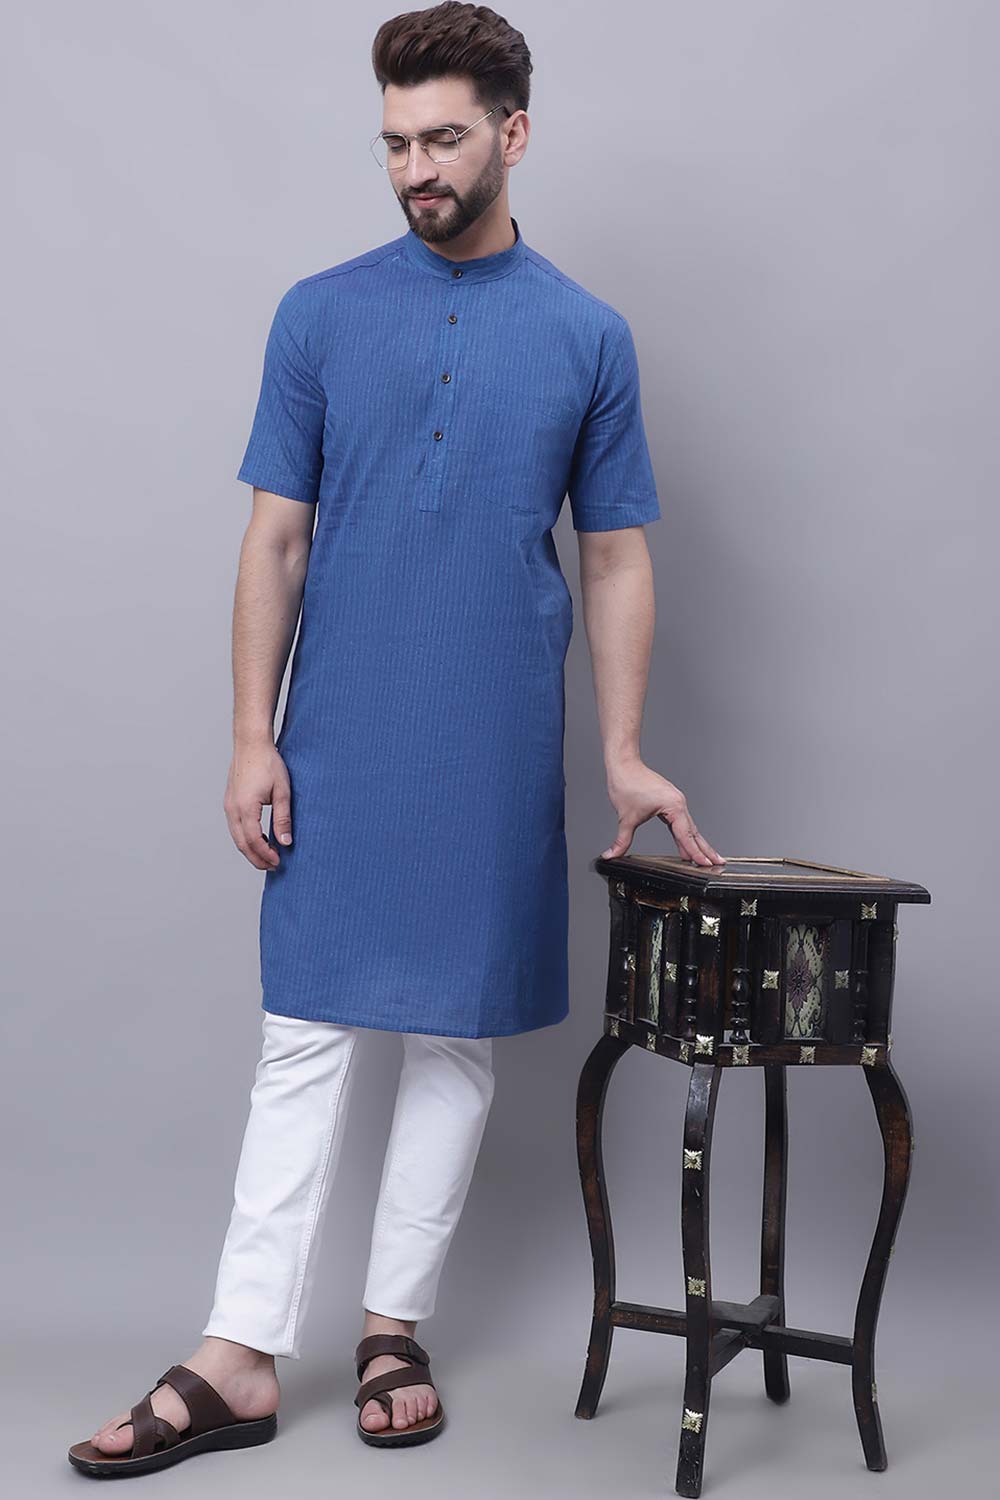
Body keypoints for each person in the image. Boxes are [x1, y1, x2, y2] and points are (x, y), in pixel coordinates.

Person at [68, 0, 724, 1478]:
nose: (414, 169)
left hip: (494, 736)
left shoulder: (587, 334)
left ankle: (392, 1330)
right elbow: (275, 540)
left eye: (441, 139)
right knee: (305, 1031)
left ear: (514, 135)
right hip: (344, 729)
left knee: (454, 1038)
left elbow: (615, 552)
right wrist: (253, 735)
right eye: (393, 143)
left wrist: (622, 751)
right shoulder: (317, 314)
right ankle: (240, 1353)